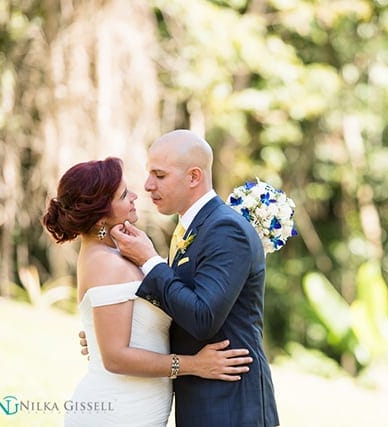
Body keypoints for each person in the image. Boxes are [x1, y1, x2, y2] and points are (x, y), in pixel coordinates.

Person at [42, 157, 252, 426]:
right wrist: (194, 365)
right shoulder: (107, 264)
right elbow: (116, 358)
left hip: (134, 408)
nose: (135, 196)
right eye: (123, 194)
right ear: (100, 215)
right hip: (116, 412)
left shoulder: (117, 253)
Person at [110, 129, 280, 426]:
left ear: (194, 177)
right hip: (200, 399)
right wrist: (110, 330)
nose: (148, 185)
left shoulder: (226, 229)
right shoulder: (192, 227)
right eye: (149, 174)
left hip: (231, 405)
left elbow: (202, 317)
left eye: (159, 175)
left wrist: (149, 261)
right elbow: (177, 305)